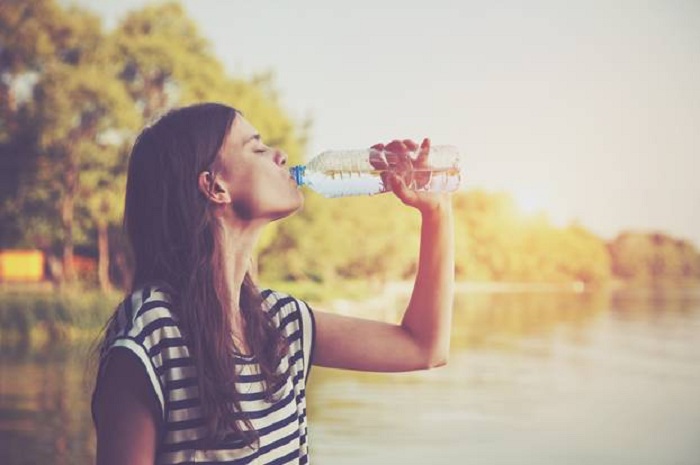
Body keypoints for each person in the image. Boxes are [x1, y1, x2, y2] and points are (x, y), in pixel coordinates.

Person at [91, 102, 454, 465]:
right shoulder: (151, 335)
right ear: (215, 186)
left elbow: (424, 347)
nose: (280, 156)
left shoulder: (280, 322)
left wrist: (436, 212)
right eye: (258, 148)